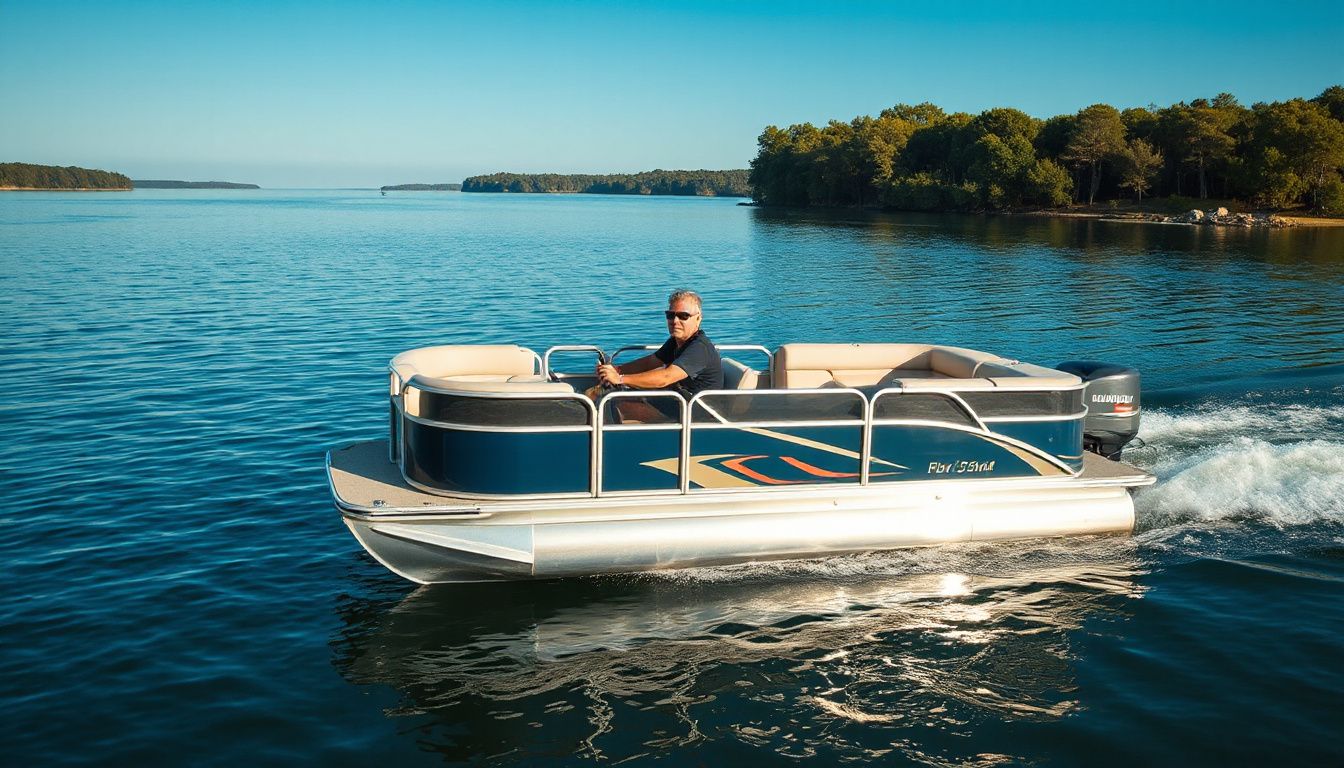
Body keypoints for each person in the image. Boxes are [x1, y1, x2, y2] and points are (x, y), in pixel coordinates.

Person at [592, 289, 723, 421]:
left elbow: (666, 377)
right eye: (670, 315)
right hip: (680, 400)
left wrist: (620, 379)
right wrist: (617, 370)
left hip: (698, 414)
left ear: (698, 319)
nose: (675, 321)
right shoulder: (676, 341)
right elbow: (651, 362)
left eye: (683, 316)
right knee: (623, 393)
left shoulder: (699, 348)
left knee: (621, 404)